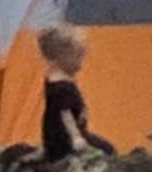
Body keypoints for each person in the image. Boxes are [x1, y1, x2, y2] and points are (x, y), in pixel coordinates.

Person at [32, 24, 116, 162]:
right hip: (65, 140)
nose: (80, 64)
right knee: (108, 149)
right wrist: (76, 138)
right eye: (77, 58)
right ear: (61, 57)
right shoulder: (62, 86)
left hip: (56, 138)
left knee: (104, 147)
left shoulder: (53, 81)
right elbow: (65, 115)